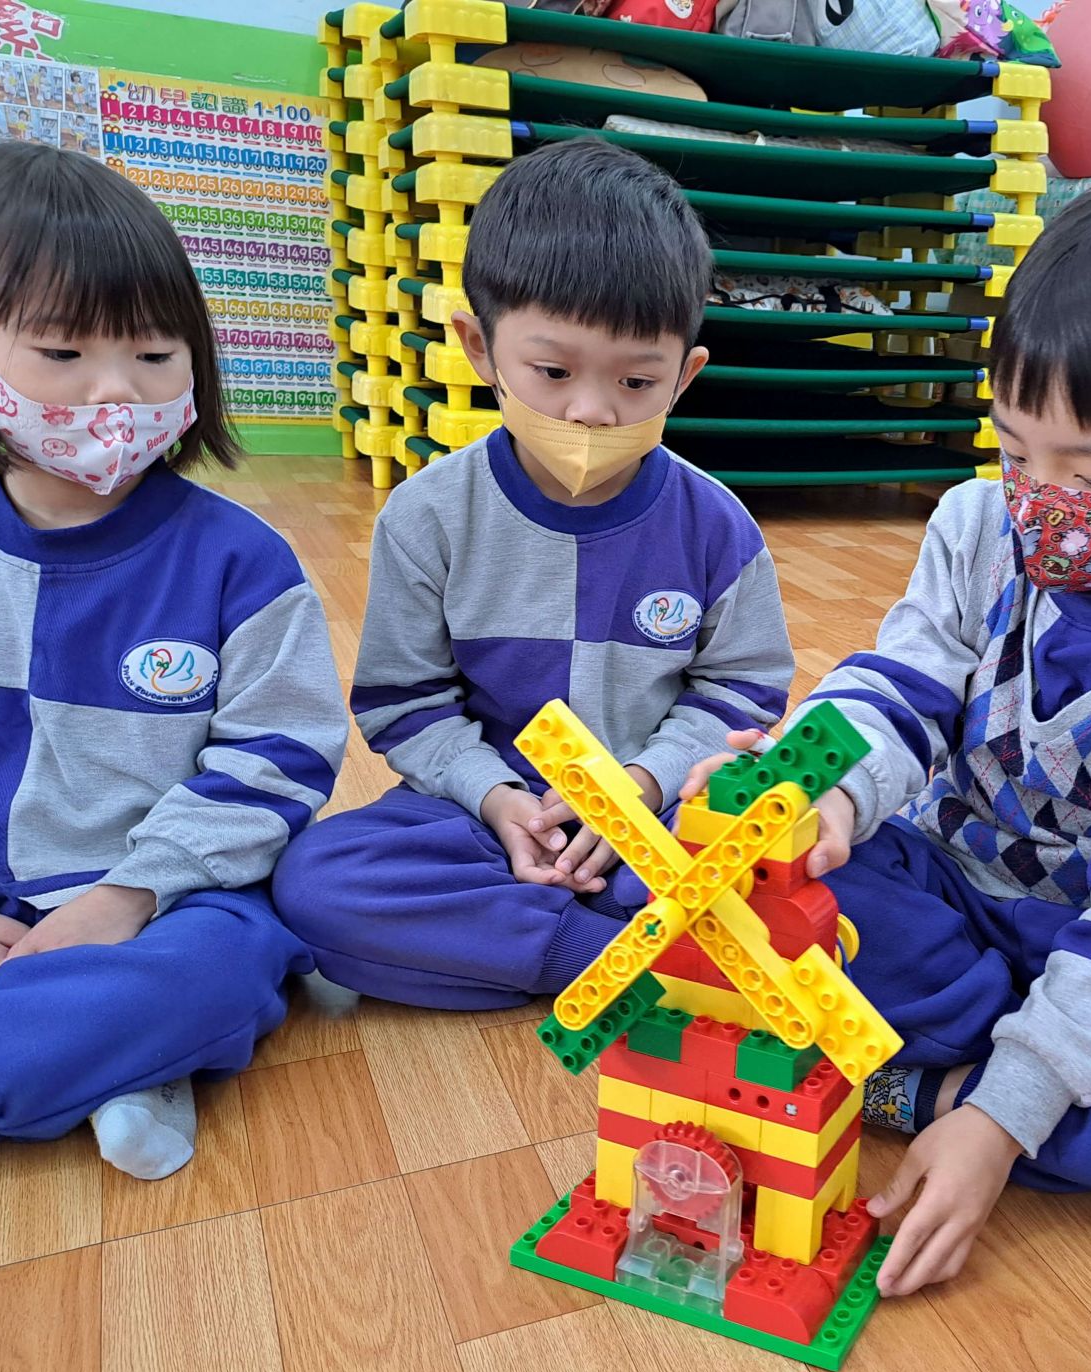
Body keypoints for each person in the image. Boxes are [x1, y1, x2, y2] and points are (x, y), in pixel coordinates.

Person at [683, 175, 1091, 1297]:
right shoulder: (974, 528)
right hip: (939, 887)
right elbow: (895, 690)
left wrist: (999, 1118)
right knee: (735, 862)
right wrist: (814, 787)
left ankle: (924, 1094)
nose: (1041, 496)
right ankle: (1014, 1076)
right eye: (1015, 449)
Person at [273, 139, 793, 1010]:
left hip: (656, 812)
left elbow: (742, 693)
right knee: (317, 880)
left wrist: (644, 785)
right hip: (486, 816)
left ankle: (537, 941)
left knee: (790, 842)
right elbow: (407, 703)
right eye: (552, 373)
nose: (591, 411)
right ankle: (617, 953)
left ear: (685, 375)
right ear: (479, 347)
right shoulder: (429, 516)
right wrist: (496, 799)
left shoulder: (716, 524)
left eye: (637, 381)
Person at [0, 143, 345, 1179]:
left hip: (181, 896)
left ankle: (92, 1041)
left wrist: (126, 897)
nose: (115, 392)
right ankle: (113, 1057)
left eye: (152, 352)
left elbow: (279, 759)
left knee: (226, 964)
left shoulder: (243, 560)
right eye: (60, 352)